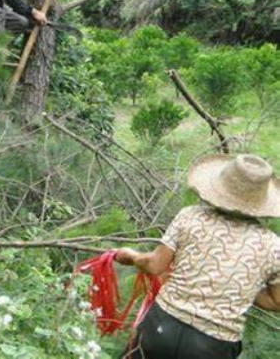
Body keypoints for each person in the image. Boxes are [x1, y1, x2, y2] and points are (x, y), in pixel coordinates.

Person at [115, 154, 280, 359]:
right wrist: (235, 284)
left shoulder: (191, 216)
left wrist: (130, 256)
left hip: (162, 327)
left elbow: (155, 265)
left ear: (220, 186)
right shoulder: (273, 246)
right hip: (214, 346)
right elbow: (276, 301)